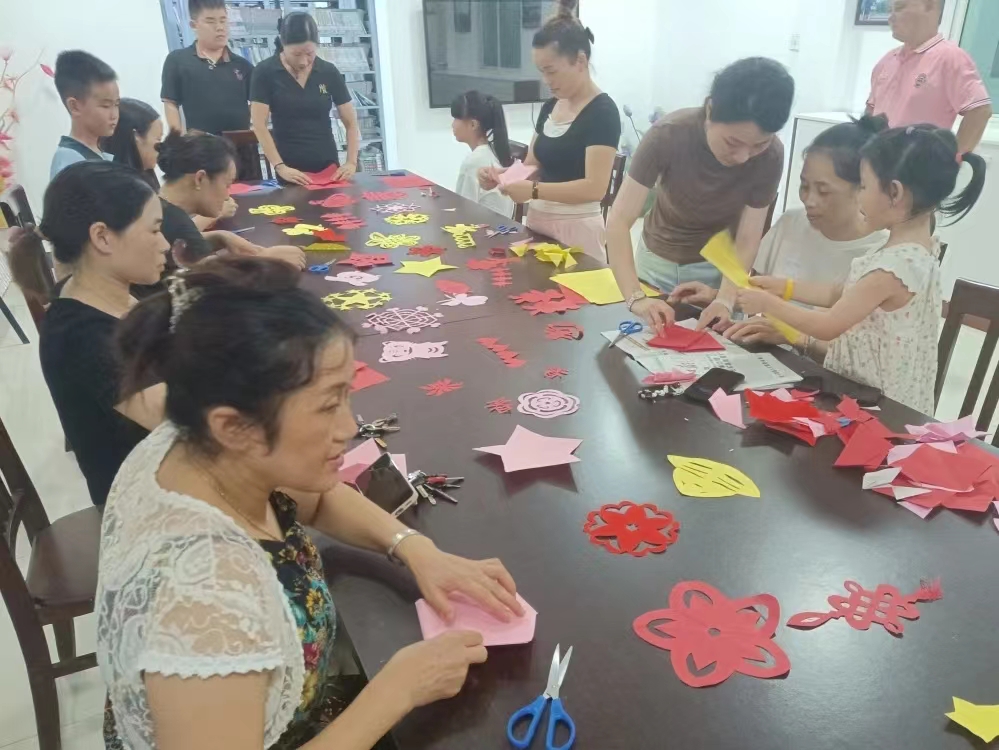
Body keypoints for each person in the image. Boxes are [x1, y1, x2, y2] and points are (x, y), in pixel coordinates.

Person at [98, 256, 525, 749]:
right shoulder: (207, 605)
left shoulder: (189, 442)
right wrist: (397, 690)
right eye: (327, 405)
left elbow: (318, 502)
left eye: (346, 395)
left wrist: (415, 548)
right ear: (234, 426)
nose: (348, 427)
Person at [737, 125, 986, 414]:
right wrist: (785, 287)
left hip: (879, 407)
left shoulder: (892, 268)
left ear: (894, 192)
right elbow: (842, 294)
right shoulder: (916, 249)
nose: (860, 197)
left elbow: (828, 326)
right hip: (876, 396)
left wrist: (767, 304)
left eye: (865, 187)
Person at [8, 162, 168, 504]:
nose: (165, 244)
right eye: (155, 230)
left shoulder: (115, 292)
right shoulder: (81, 336)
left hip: (175, 475)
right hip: (145, 507)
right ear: (102, 237)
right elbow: (188, 422)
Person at [606, 57, 794, 334]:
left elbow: (747, 238)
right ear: (710, 110)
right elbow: (619, 220)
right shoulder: (668, 135)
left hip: (719, 272)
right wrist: (636, 296)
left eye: (759, 145)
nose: (743, 157)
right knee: (646, 343)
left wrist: (725, 300)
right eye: (733, 142)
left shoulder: (771, 156)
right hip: (656, 260)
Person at [671, 116, 891, 345]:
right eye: (804, 186)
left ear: (862, 189)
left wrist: (791, 336)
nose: (809, 200)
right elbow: (760, 291)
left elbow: (861, 349)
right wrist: (719, 298)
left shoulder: (880, 256)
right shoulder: (791, 223)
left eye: (824, 191)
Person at [478, 0, 621, 260]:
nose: (547, 81)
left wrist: (533, 191)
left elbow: (595, 188)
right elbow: (533, 164)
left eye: (551, 71)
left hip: (578, 230)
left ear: (580, 60)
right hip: (539, 225)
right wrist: (503, 176)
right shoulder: (551, 106)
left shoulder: (602, 111)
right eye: (542, 72)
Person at [155, 130, 305, 279]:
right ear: (200, 179)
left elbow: (182, 246)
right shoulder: (177, 224)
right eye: (227, 184)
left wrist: (220, 237)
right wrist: (265, 261)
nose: (227, 196)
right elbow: (215, 284)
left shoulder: (158, 207)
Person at [866, 0, 992, 155]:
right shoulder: (886, 61)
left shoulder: (951, 58)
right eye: (889, 10)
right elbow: (871, 110)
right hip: (876, 161)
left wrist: (953, 159)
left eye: (899, 7)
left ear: (929, 6)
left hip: (917, 165)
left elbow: (980, 111)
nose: (891, 17)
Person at [250, 12, 361, 186]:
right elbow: (259, 125)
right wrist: (280, 166)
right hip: (289, 169)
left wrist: (351, 162)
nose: (303, 61)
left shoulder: (328, 71)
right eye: (296, 54)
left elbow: (351, 122)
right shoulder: (265, 72)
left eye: (310, 53)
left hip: (328, 166)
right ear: (282, 44)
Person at [161, 0, 254, 136]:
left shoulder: (242, 65)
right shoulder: (178, 61)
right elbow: (170, 103)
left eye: (223, 20)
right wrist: (178, 139)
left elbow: (260, 102)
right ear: (194, 25)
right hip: (201, 145)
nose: (220, 27)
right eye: (211, 21)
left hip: (241, 144)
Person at [49, 50, 119, 179]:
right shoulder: (71, 165)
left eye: (117, 104)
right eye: (106, 106)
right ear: (74, 106)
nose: (114, 115)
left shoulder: (95, 153)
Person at [451, 90, 515, 218]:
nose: (452, 124)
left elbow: (462, 212)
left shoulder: (474, 161)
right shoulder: (492, 152)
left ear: (473, 124)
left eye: (456, 118)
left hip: (484, 228)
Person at [104, 98, 165, 190]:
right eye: (158, 139)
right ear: (136, 137)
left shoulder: (145, 178)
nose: (162, 149)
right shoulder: (118, 189)